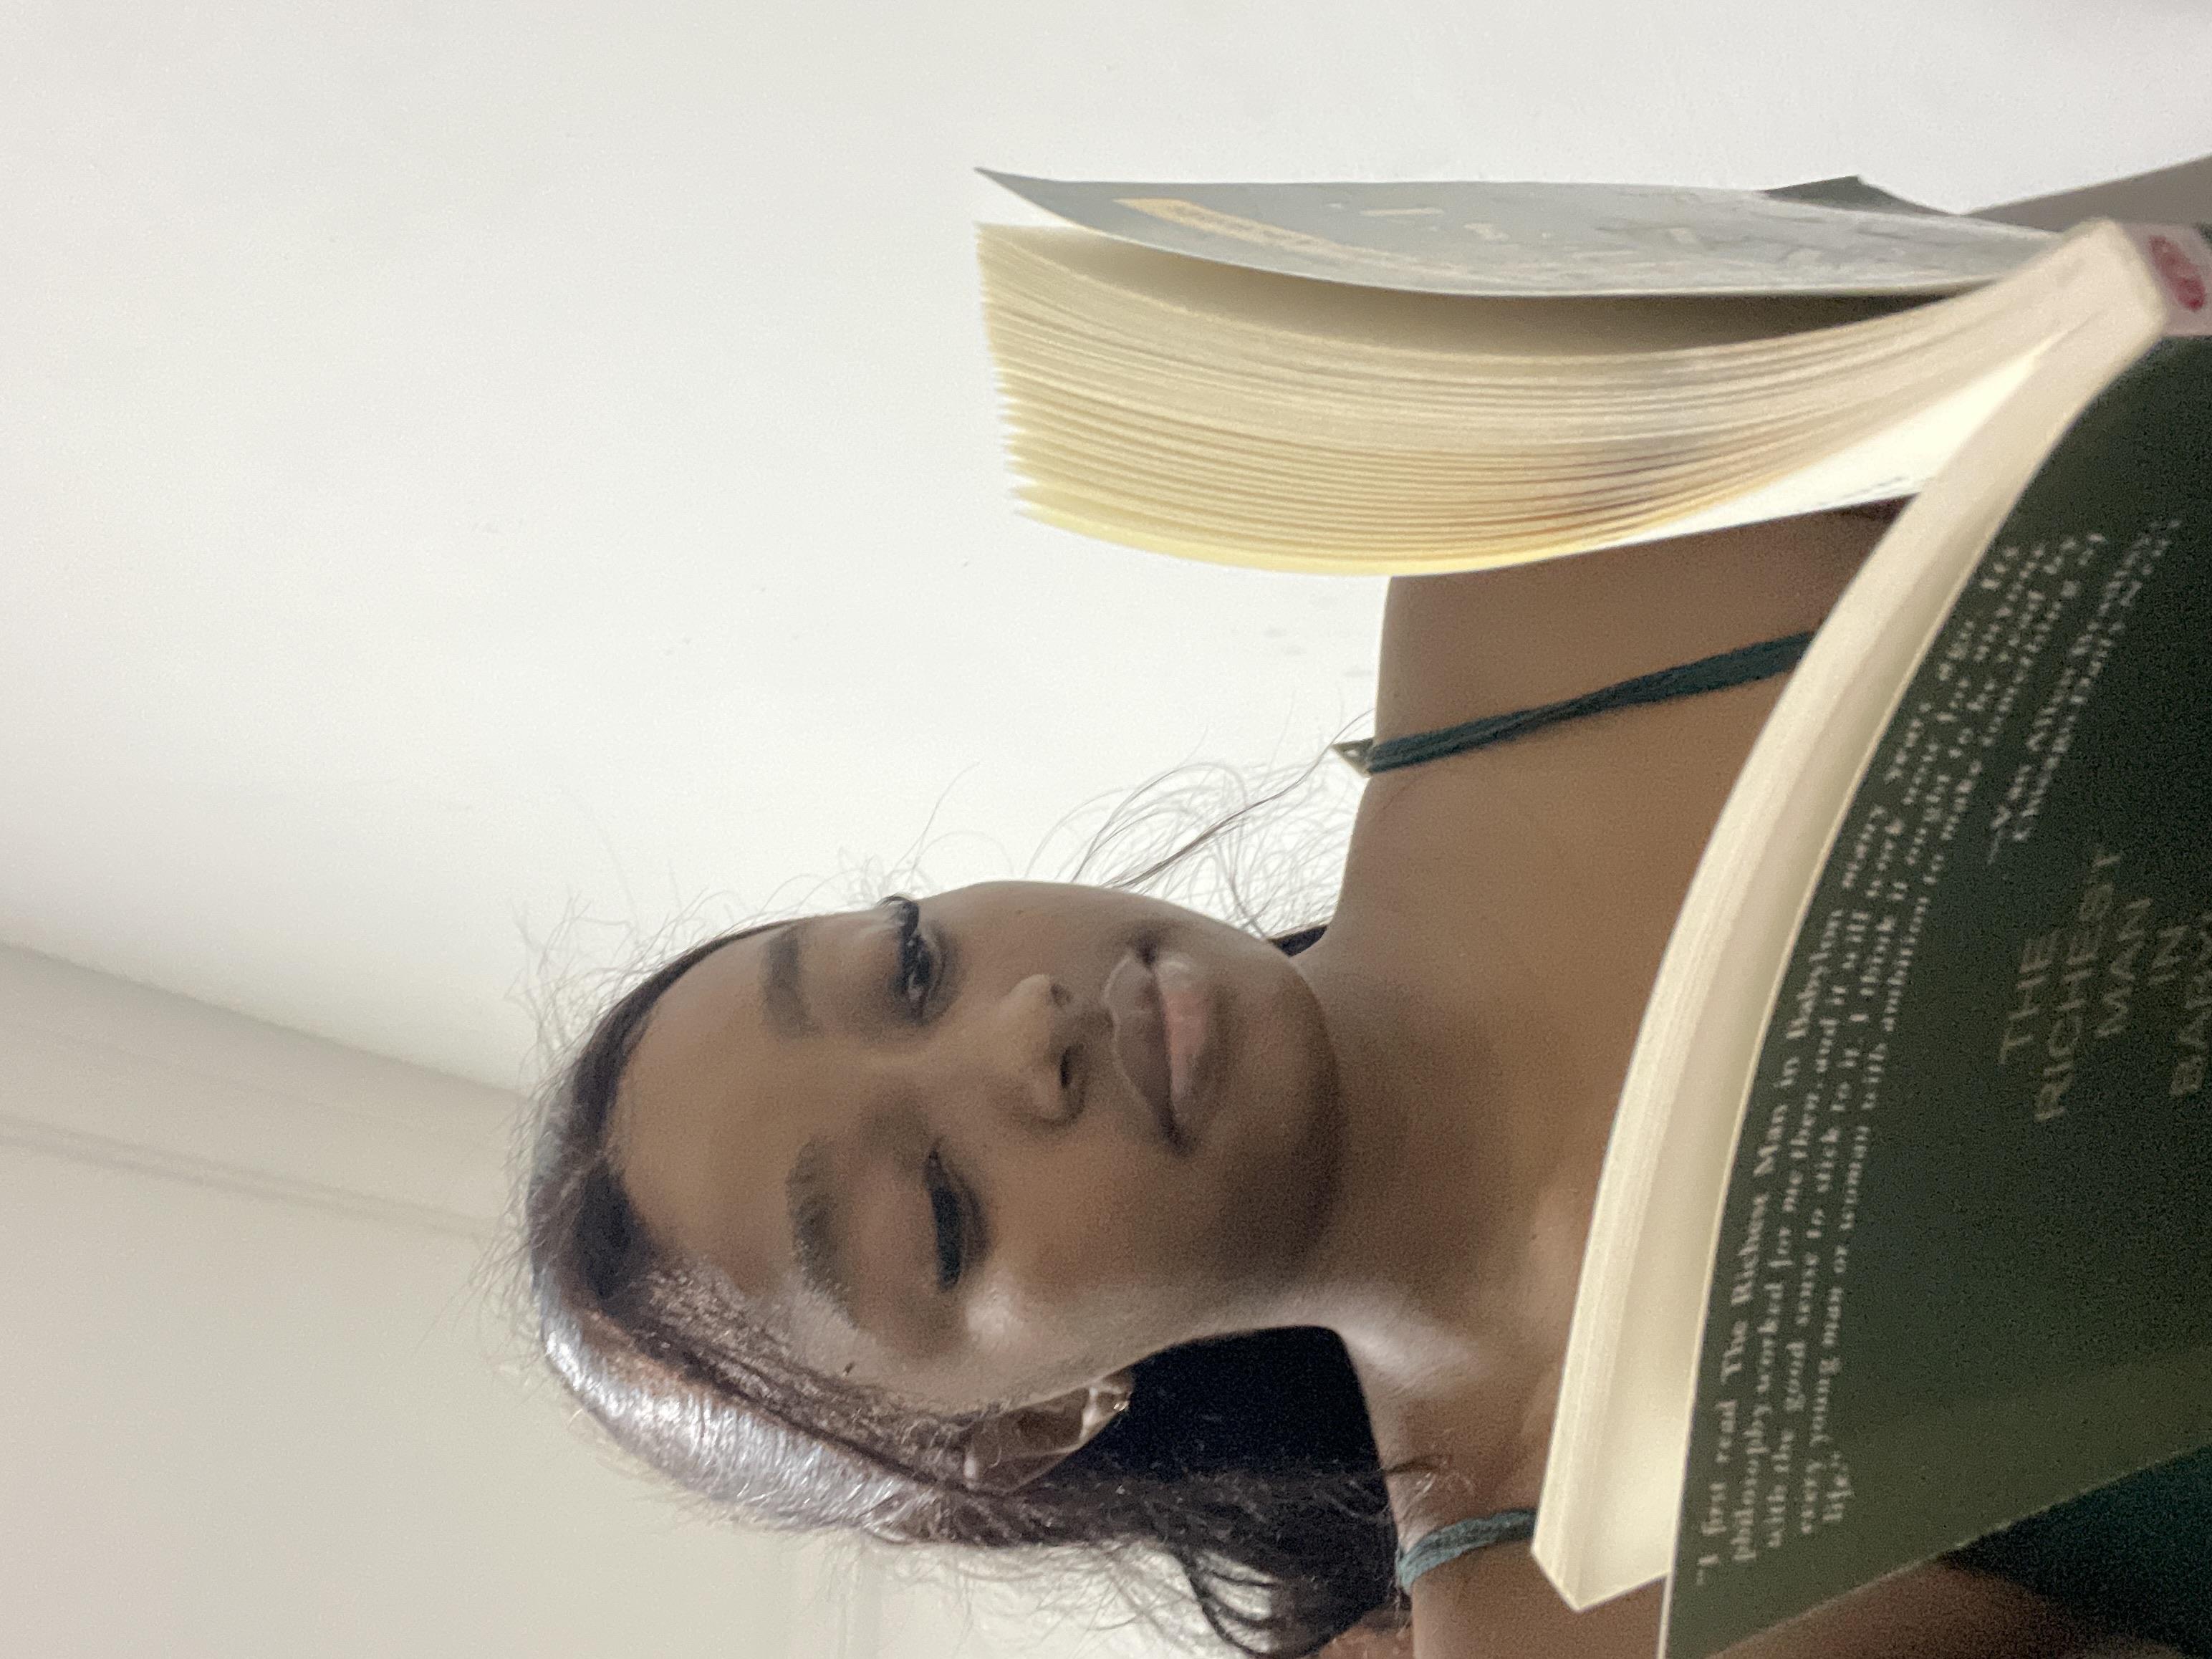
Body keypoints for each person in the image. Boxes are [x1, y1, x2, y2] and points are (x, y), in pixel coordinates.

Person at [525, 503, 2187, 1659]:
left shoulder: (1542, 554)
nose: (1022, 1030)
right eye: (940, 1212)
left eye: (908, 965)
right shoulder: (1591, 1621)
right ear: (1029, 1420)